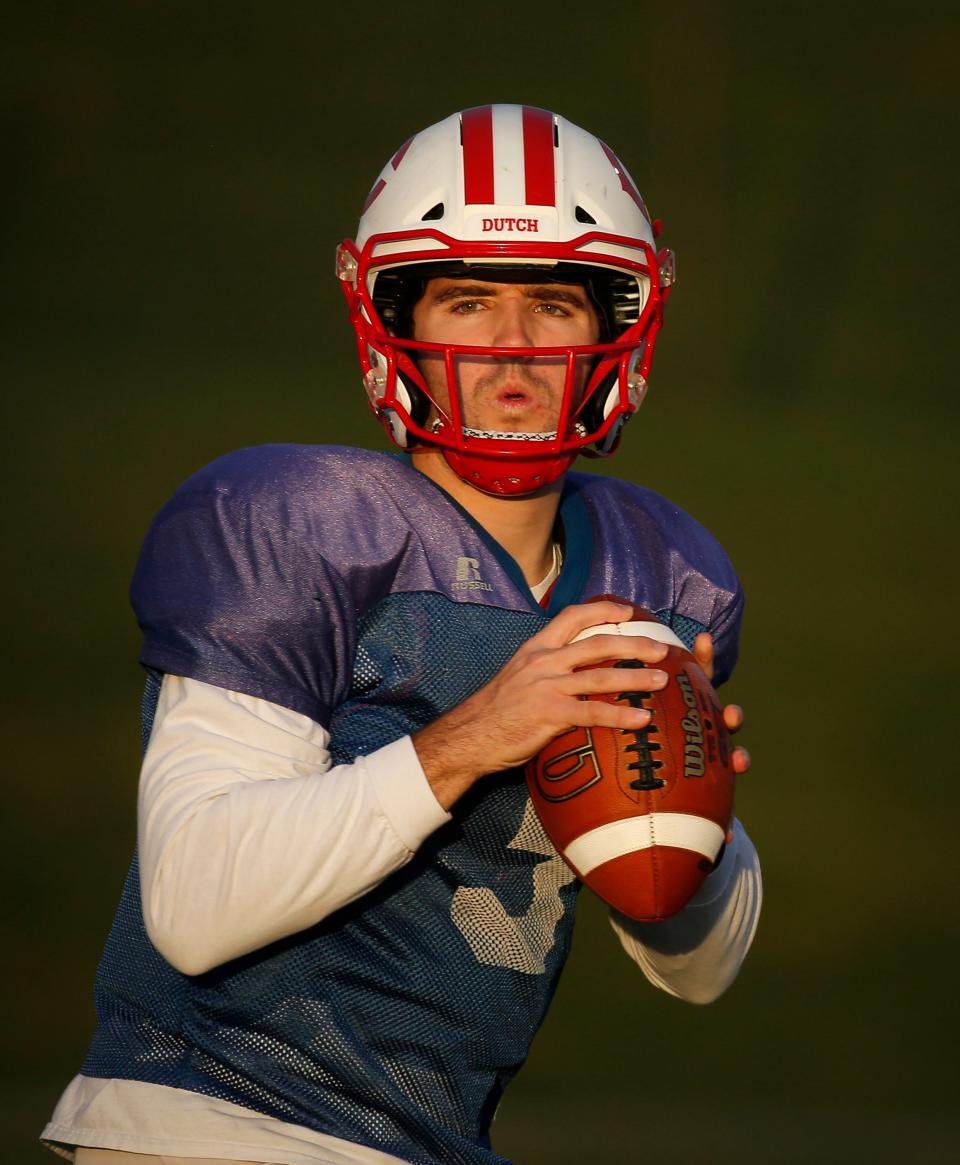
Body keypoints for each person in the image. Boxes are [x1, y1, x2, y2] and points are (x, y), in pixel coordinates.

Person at [42, 104, 761, 1165]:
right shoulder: (293, 522)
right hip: (214, 1122)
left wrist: (692, 820)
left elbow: (696, 972)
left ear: (616, 325)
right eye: (469, 301)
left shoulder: (662, 578)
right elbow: (191, 903)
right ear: (393, 318)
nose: (512, 348)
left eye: (554, 304)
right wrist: (473, 736)